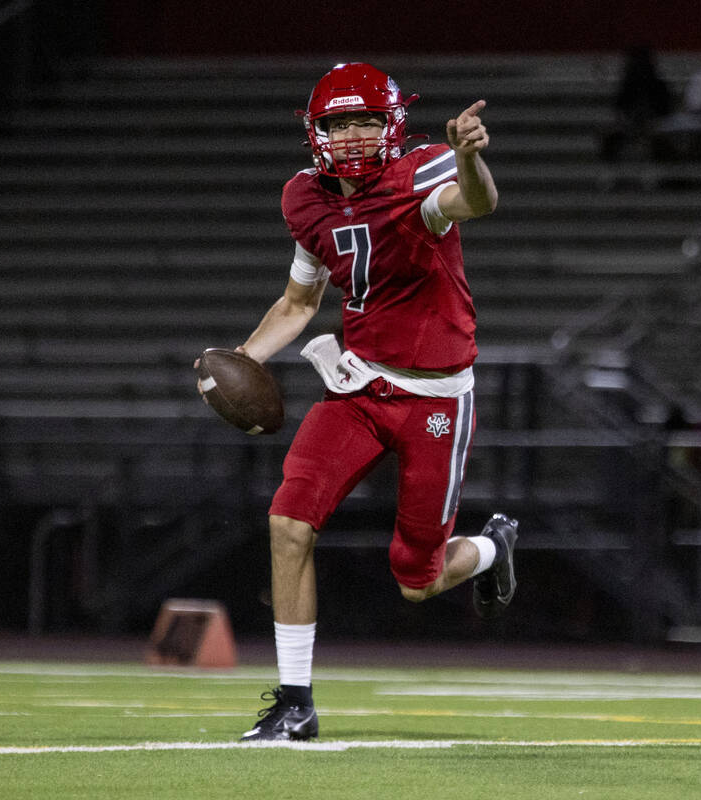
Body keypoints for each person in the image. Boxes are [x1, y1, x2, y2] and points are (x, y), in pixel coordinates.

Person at [196, 62, 518, 742]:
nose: (350, 136)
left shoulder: (420, 177)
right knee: (288, 521)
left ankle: (490, 549)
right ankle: (294, 702)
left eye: (365, 121)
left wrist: (467, 159)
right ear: (315, 132)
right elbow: (300, 301)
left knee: (416, 579)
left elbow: (475, 203)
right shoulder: (305, 199)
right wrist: (248, 358)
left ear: (392, 124)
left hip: (435, 398)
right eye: (337, 123)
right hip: (359, 386)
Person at [600, 45, 673, 162]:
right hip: (631, 124)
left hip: (654, 124)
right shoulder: (630, 84)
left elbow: (666, 109)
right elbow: (619, 108)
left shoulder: (657, 84)